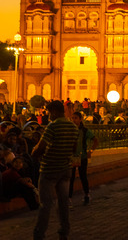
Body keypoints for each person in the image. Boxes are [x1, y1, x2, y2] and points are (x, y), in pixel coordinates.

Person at [31, 100, 79, 240]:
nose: (48, 115)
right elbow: (74, 148)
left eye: (49, 112)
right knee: (63, 203)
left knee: (45, 204)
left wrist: (35, 152)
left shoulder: (53, 126)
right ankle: (64, 231)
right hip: (65, 169)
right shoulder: (73, 126)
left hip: (49, 169)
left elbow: (40, 147)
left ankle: (39, 234)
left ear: (55, 112)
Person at [69, 112, 99, 205]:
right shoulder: (70, 130)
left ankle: (86, 194)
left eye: (76, 118)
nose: (74, 120)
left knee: (83, 176)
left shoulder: (85, 131)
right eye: (73, 118)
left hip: (82, 157)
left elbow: (95, 140)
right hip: (73, 156)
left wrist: (90, 151)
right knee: (71, 177)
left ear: (80, 119)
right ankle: (69, 197)